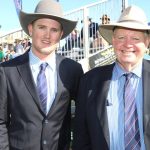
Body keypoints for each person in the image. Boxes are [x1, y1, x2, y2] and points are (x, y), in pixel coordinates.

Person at [0, 0, 83, 150]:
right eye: (42, 27)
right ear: (30, 29)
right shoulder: (7, 71)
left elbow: (83, 116)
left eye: (54, 30)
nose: (47, 35)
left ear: (61, 34)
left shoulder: (73, 70)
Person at [73, 5, 150, 150]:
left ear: (146, 43)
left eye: (135, 38)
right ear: (113, 41)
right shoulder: (89, 81)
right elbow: (81, 139)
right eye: (121, 37)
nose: (128, 44)